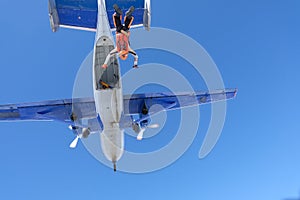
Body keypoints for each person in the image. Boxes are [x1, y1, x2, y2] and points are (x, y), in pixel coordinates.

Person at [102, 4, 138, 69]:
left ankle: (120, 14)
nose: (123, 53)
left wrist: (105, 64)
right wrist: (135, 64)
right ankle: (128, 15)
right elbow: (136, 56)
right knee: (126, 24)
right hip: (123, 32)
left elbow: (109, 55)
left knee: (118, 22)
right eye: (124, 55)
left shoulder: (117, 50)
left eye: (122, 55)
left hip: (119, 31)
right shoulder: (128, 49)